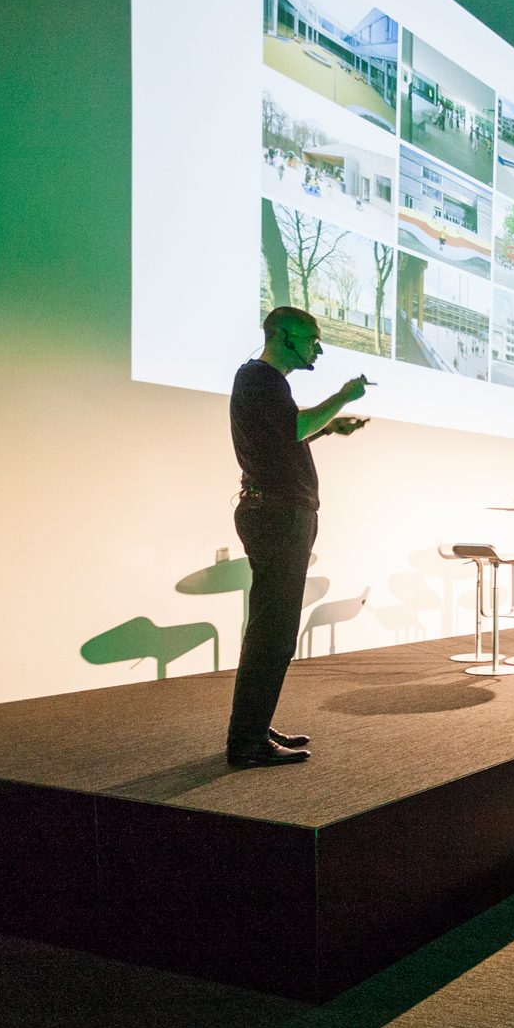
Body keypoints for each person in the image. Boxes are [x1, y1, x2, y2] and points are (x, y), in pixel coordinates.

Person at [226, 307, 369, 766]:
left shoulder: (265, 384)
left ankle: (252, 728)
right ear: (283, 336)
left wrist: (329, 426)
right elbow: (293, 429)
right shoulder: (260, 379)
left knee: (273, 631)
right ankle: (246, 742)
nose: (319, 348)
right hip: (276, 516)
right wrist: (342, 398)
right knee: (274, 633)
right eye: (312, 338)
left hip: (278, 515)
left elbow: (280, 439)